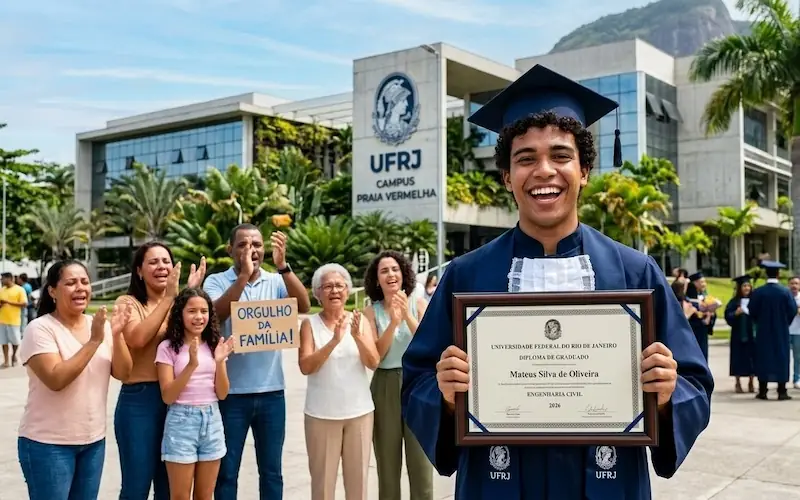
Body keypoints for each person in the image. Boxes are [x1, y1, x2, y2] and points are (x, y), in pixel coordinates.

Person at [401, 64, 714, 499]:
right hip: (497, 482)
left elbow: (694, 383)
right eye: (525, 158)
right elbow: (416, 382)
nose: (544, 170)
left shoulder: (635, 273)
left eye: (561, 156)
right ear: (507, 177)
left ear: (584, 170)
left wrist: (666, 394)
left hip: (608, 480)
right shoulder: (466, 276)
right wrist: (446, 395)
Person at [204, 223, 311, 500]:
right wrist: (243, 277)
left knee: (272, 472)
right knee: (227, 472)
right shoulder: (215, 281)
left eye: (257, 245)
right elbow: (214, 316)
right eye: (242, 245)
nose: (250, 250)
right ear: (230, 250)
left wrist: (283, 266)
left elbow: (304, 305)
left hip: (271, 392)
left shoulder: (276, 281)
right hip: (231, 395)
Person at [17, 260, 133, 500]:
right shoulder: (40, 329)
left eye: (85, 282)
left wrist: (116, 334)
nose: (80, 288)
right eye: (71, 283)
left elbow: (124, 373)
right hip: (47, 444)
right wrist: (94, 341)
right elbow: (56, 379)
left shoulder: (99, 326)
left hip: (93, 441)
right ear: (52, 291)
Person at [114, 242, 206, 500]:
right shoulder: (128, 302)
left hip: (177, 398)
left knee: (170, 487)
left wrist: (189, 294)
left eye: (166, 261)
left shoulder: (178, 304)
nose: (161, 267)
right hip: (140, 399)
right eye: (153, 262)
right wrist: (169, 299)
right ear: (139, 270)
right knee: (136, 486)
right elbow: (137, 339)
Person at [299, 264, 379, 500]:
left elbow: (373, 361)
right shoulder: (309, 325)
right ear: (318, 293)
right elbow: (306, 366)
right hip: (321, 415)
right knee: (323, 486)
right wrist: (334, 341)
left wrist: (357, 337)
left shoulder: (360, 321)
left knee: (358, 486)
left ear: (347, 290)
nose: (334, 291)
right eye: (327, 287)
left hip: (359, 413)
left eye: (339, 286)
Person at [363, 250, 432, 500]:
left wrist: (407, 316)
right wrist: (393, 322)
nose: (391, 274)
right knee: (387, 463)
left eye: (395, 269)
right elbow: (376, 357)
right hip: (384, 385)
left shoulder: (419, 303)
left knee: (421, 462)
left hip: (417, 383)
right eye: (384, 271)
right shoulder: (371, 313)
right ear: (377, 280)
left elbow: (428, 345)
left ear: (403, 274)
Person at [156, 287, 234, 500]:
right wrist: (191, 365)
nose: (199, 317)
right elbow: (167, 396)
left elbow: (222, 394)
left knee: (205, 496)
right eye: (192, 311)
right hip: (181, 421)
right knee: (180, 496)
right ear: (180, 314)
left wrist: (220, 362)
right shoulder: (167, 348)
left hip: (212, 419)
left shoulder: (214, 345)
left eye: (204, 311)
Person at [748, 260, 797, 400]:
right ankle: (782, 391)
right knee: (781, 357)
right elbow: (792, 310)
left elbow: (752, 310)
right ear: (778, 274)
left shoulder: (759, 292)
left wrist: (759, 322)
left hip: (763, 330)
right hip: (781, 330)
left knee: (763, 357)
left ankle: (763, 390)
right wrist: (785, 322)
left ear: (766, 274)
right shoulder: (785, 292)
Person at [724, 275, 756, 393]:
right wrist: (735, 313)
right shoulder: (734, 302)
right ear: (739, 288)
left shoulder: (754, 301)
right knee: (738, 358)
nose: (746, 288)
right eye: (744, 286)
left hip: (752, 335)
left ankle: (751, 381)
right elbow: (728, 316)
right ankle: (737, 382)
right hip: (738, 335)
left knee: (752, 358)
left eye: (748, 286)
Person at [685, 272, 718, 360]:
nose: (704, 284)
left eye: (704, 282)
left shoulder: (706, 297)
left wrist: (711, 314)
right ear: (694, 283)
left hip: (702, 332)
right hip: (692, 330)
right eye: (702, 282)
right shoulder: (687, 299)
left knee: (703, 355)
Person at [0, 271, 29, 367]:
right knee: (3, 342)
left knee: (15, 341)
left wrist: (8, 302)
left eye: (3, 278)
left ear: (9, 278)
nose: (1, 280)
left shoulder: (19, 290)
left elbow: (24, 304)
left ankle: (13, 356)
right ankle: (6, 360)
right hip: (2, 320)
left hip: (14, 320)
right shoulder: (2, 290)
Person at [788, 276, 800, 389]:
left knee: (798, 357)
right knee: (783, 356)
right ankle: (783, 379)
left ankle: (797, 379)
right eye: (792, 283)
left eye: (796, 283)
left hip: (798, 331)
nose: (794, 286)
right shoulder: (785, 297)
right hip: (785, 331)